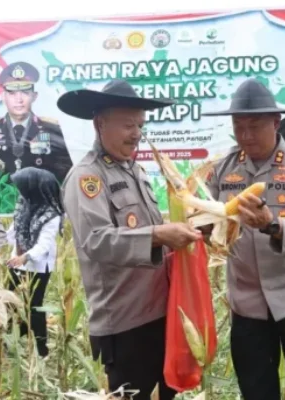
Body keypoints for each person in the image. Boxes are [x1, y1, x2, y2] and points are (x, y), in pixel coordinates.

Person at [57, 79, 203, 400]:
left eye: (140, 124)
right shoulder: (87, 177)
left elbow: (150, 231)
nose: (136, 133)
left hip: (162, 313)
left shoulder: (135, 171)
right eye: (127, 125)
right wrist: (158, 234)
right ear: (100, 124)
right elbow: (97, 241)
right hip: (125, 325)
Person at [201, 78, 285, 399]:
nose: (245, 135)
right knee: (256, 392)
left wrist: (272, 226)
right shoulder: (221, 170)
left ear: (276, 123)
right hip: (247, 305)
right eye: (238, 126)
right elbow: (211, 226)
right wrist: (206, 230)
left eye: (255, 126)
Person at [4, 167, 64, 358]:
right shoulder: (24, 204)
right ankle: (8, 339)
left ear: (33, 188)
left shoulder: (51, 214)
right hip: (17, 264)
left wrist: (25, 257)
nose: (19, 191)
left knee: (34, 306)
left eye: (22, 187)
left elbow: (44, 244)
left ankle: (42, 350)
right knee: (7, 301)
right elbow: (12, 233)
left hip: (37, 267)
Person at [0, 61, 73, 183]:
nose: (19, 99)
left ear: (34, 96)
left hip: (38, 199)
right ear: (4, 97)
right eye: (12, 93)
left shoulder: (50, 128)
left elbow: (65, 175)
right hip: (0, 199)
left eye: (25, 92)